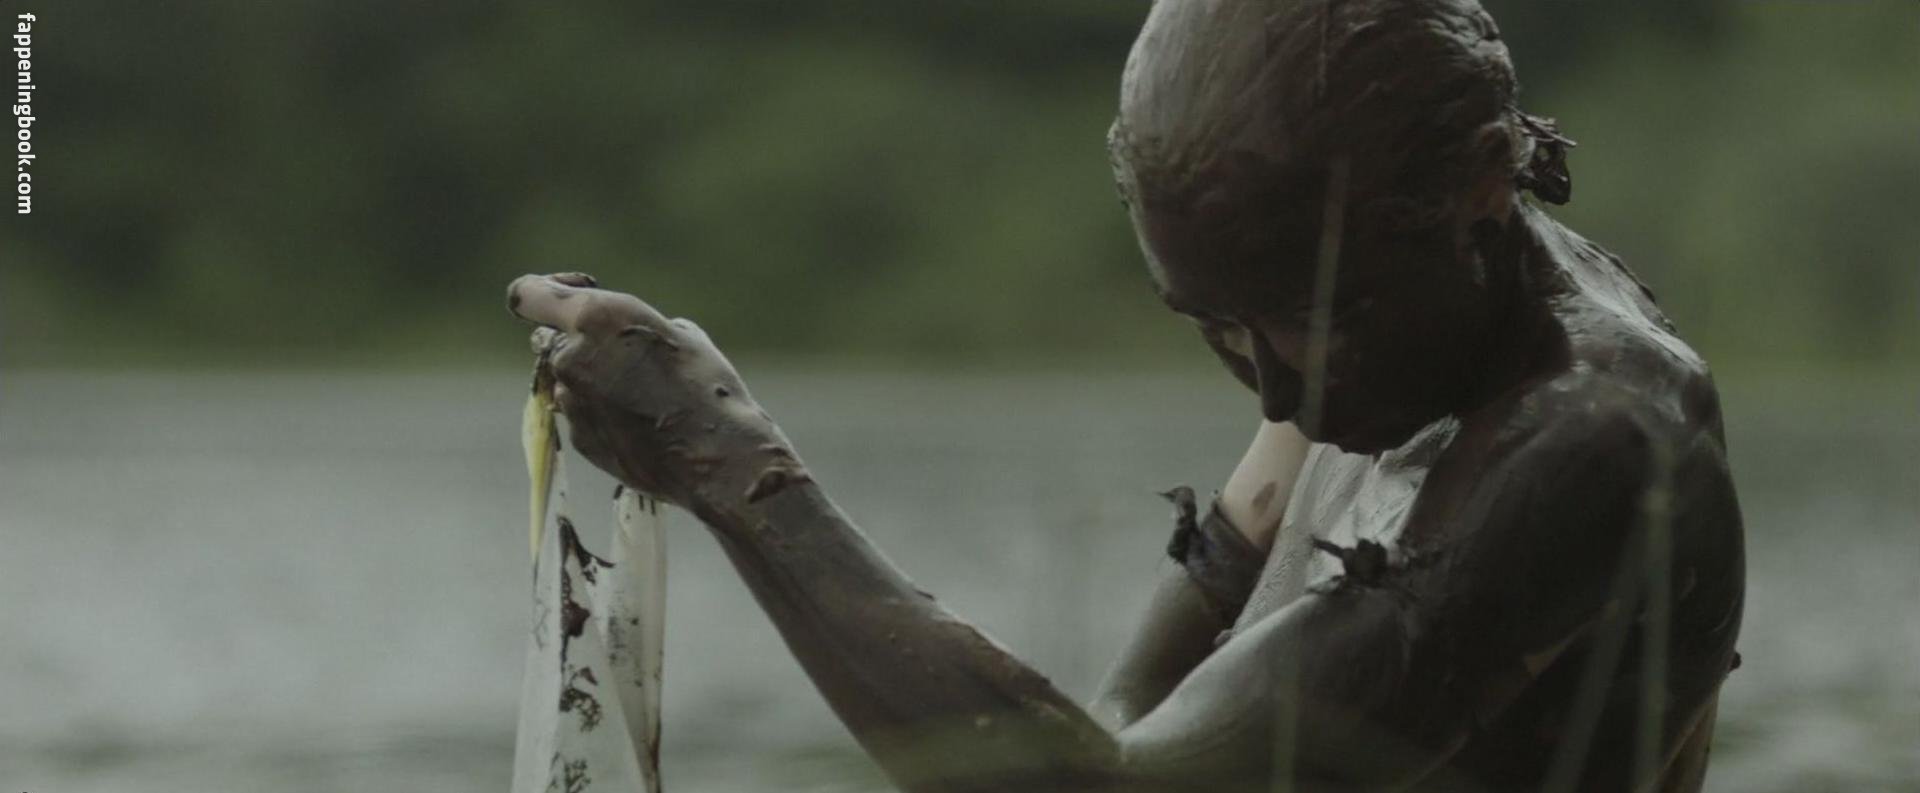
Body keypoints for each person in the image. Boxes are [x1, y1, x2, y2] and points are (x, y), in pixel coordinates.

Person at [505, 0, 1745, 789]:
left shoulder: (1594, 441)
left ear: (1482, 187)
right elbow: (1121, 726)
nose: (1285, 403)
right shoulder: (1392, 331)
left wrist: (731, 464)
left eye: (1314, 324)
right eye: (1218, 330)